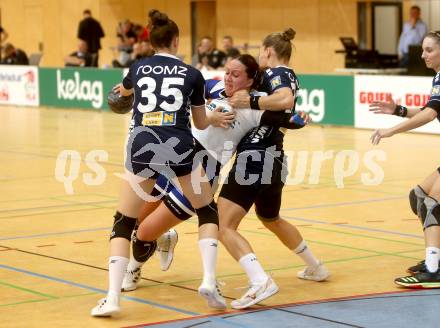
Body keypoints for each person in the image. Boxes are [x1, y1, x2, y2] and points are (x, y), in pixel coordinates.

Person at [121, 54, 310, 294]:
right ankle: (165, 238)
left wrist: (300, 117)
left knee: (146, 232)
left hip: (203, 172)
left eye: (236, 74)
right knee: (136, 221)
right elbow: (188, 90)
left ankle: (133, 269)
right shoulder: (215, 86)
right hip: (175, 158)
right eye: (227, 72)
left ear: (251, 80)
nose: (228, 78)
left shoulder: (255, 103)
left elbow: (287, 117)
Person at [91, 9, 225, 317]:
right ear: (176, 41)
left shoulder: (137, 67)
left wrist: (124, 94)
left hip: (142, 144)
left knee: (123, 221)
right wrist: (214, 116)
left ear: (151, 41)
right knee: (207, 210)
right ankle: (209, 281)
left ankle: (112, 297)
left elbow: (119, 96)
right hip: (179, 144)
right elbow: (202, 123)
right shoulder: (193, 74)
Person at [219, 28, 330, 309]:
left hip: (256, 157)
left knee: (223, 225)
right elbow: (284, 111)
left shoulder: (277, 72)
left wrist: (251, 100)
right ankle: (315, 267)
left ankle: (260, 281)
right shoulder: (275, 77)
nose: (259, 56)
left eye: (260, 51)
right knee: (271, 218)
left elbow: (284, 100)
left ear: (268, 51)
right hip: (274, 158)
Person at [370, 31, 440, 288]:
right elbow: (429, 109)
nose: (423, 55)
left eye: (429, 50)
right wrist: (397, 110)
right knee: (419, 196)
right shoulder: (438, 77)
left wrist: (390, 131)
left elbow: (431, 114)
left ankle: (434, 269)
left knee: (433, 203)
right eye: (423, 49)